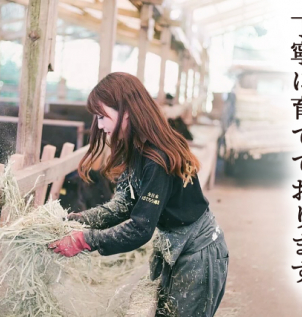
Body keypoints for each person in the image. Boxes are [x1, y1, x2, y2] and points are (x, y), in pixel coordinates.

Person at [48, 72, 228, 317]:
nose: (99, 125)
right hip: (175, 246)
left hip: (197, 253)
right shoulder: (136, 147)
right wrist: (78, 221)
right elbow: (123, 204)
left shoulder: (157, 158)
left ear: (127, 112)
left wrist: (85, 240)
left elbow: (140, 229)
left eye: (103, 116)